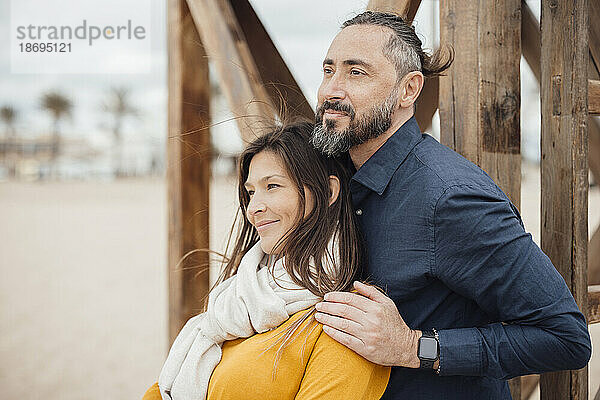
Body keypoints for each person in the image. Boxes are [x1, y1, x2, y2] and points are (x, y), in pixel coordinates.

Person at [310, 11, 592, 399]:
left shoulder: (451, 197)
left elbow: (566, 338)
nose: (331, 90)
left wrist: (413, 347)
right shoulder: (328, 182)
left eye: (356, 72)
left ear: (408, 90)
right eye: (328, 71)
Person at [141, 121, 390, 400]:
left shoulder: (347, 320)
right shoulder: (237, 297)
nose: (253, 208)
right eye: (251, 192)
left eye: (272, 186)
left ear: (329, 192)